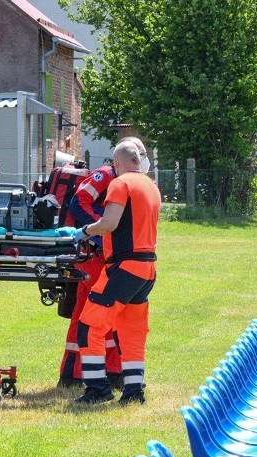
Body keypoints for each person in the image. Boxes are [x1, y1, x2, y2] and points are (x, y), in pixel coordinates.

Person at [72, 140, 160, 405]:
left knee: (88, 326)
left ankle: (97, 388)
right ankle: (134, 391)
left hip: (123, 267)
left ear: (118, 163)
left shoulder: (120, 184)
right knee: (132, 331)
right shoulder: (152, 186)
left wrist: (85, 231)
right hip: (147, 268)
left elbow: (110, 223)